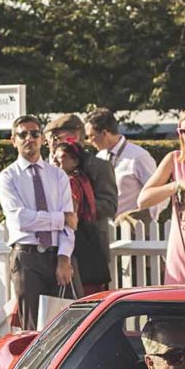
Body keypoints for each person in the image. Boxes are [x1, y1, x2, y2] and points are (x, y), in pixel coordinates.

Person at [0, 115, 76, 330]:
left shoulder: (58, 175)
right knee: (33, 328)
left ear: (42, 138)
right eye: (22, 134)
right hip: (27, 257)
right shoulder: (8, 177)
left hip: (56, 255)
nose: (29, 139)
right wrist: (59, 219)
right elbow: (21, 220)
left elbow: (71, 224)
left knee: (63, 327)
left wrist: (63, 259)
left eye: (34, 133)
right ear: (13, 140)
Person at [49, 113, 116, 292]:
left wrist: (80, 208)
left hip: (89, 245)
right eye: (50, 138)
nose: (51, 142)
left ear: (76, 135)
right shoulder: (50, 167)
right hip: (56, 247)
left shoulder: (100, 166)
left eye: (56, 137)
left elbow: (110, 204)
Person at [137, 112, 185, 285]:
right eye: (182, 131)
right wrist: (177, 185)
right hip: (181, 241)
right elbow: (143, 200)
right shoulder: (174, 159)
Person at [85, 107, 158, 238]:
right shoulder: (99, 157)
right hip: (106, 230)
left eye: (91, 136)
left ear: (104, 133)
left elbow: (158, 191)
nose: (89, 141)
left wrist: (146, 217)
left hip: (135, 231)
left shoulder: (138, 156)